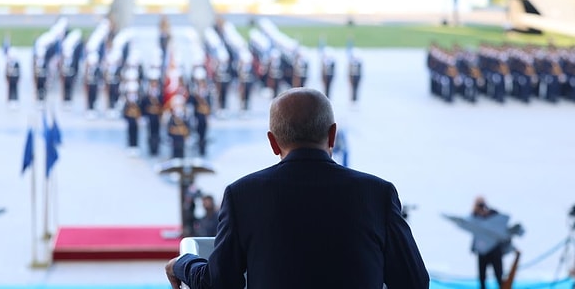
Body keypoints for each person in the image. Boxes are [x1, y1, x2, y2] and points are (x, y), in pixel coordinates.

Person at [165, 87, 429, 289]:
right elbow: (414, 282)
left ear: (273, 143)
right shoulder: (378, 194)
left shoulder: (242, 196)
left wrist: (182, 263)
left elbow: (218, 283)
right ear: (332, 134)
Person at [471, 196, 505, 289]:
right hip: (482, 251)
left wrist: (486, 213)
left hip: (494, 250)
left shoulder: (493, 213)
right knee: (482, 277)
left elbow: (501, 222)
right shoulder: (475, 216)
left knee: (498, 275)